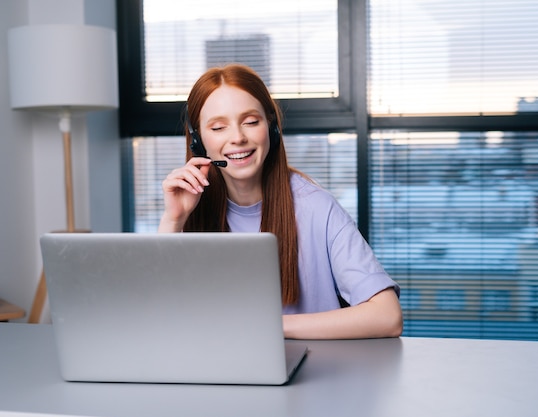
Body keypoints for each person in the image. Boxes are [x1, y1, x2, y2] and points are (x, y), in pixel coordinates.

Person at [159, 63, 403, 339]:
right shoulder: (189, 209)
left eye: (251, 122)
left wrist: (269, 328)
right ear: (199, 142)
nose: (238, 138)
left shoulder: (315, 207)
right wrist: (173, 220)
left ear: (271, 128)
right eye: (218, 127)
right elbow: (157, 320)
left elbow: (387, 315)